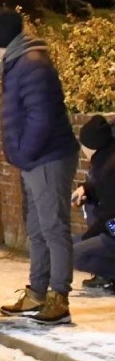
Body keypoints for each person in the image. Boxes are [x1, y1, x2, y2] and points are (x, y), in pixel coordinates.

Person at [0, 10, 82, 326]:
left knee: (53, 227)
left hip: (47, 158)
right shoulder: (18, 64)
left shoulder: (31, 66)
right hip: (35, 159)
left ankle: (59, 297)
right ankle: (38, 292)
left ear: (1, 41)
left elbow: (40, 119)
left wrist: (24, 154)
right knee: (38, 228)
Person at [74, 115, 115, 291]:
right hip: (109, 225)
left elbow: (110, 213)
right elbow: (98, 186)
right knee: (68, 245)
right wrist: (86, 189)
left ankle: (110, 273)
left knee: (73, 255)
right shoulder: (106, 159)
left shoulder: (107, 170)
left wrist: (91, 236)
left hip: (112, 228)